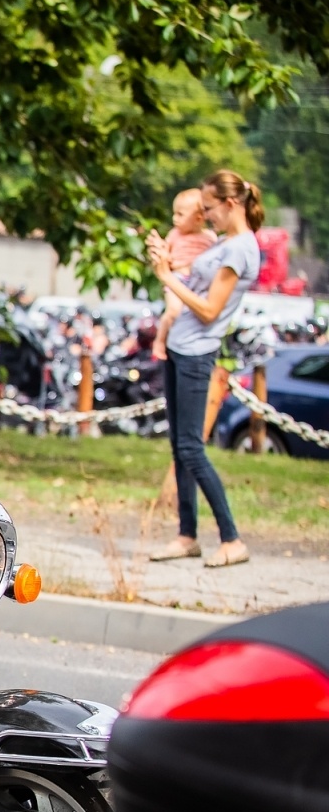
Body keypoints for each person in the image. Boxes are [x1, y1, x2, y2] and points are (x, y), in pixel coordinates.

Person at [145, 170, 260, 569]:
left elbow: (210, 310)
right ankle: (187, 535)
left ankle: (232, 539)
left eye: (209, 208)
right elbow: (191, 281)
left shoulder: (241, 249)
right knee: (180, 447)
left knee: (192, 448)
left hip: (197, 353)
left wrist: (165, 277)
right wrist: (166, 259)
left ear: (230, 204)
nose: (205, 216)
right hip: (180, 347)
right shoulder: (225, 243)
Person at [151, 188, 217, 362]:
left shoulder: (209, 237)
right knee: (173, 311)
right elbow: (165, 254)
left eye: (180, 214)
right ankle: (159, 341)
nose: (175, 219)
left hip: (197, 282)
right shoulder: (174, 234)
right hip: (177, 279)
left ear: (198, 218)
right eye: (174, 214)